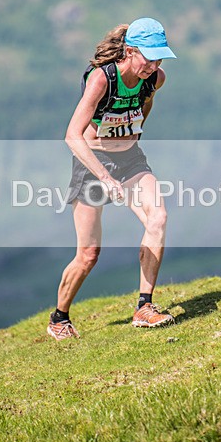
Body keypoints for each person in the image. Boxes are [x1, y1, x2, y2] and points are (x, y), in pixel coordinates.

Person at [47, 17, 177, 340]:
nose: (154, 65)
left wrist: (132, 134)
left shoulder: (155, 78)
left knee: (158, 218)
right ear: (130, 51)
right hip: (92, 163)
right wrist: (104, 177)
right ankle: (59, 318)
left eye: (160, 58)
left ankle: (144, 307)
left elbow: (145, 105)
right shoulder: (102, 79)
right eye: (149, 58)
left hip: (130, 160)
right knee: (88, 254)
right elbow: (72, 135)